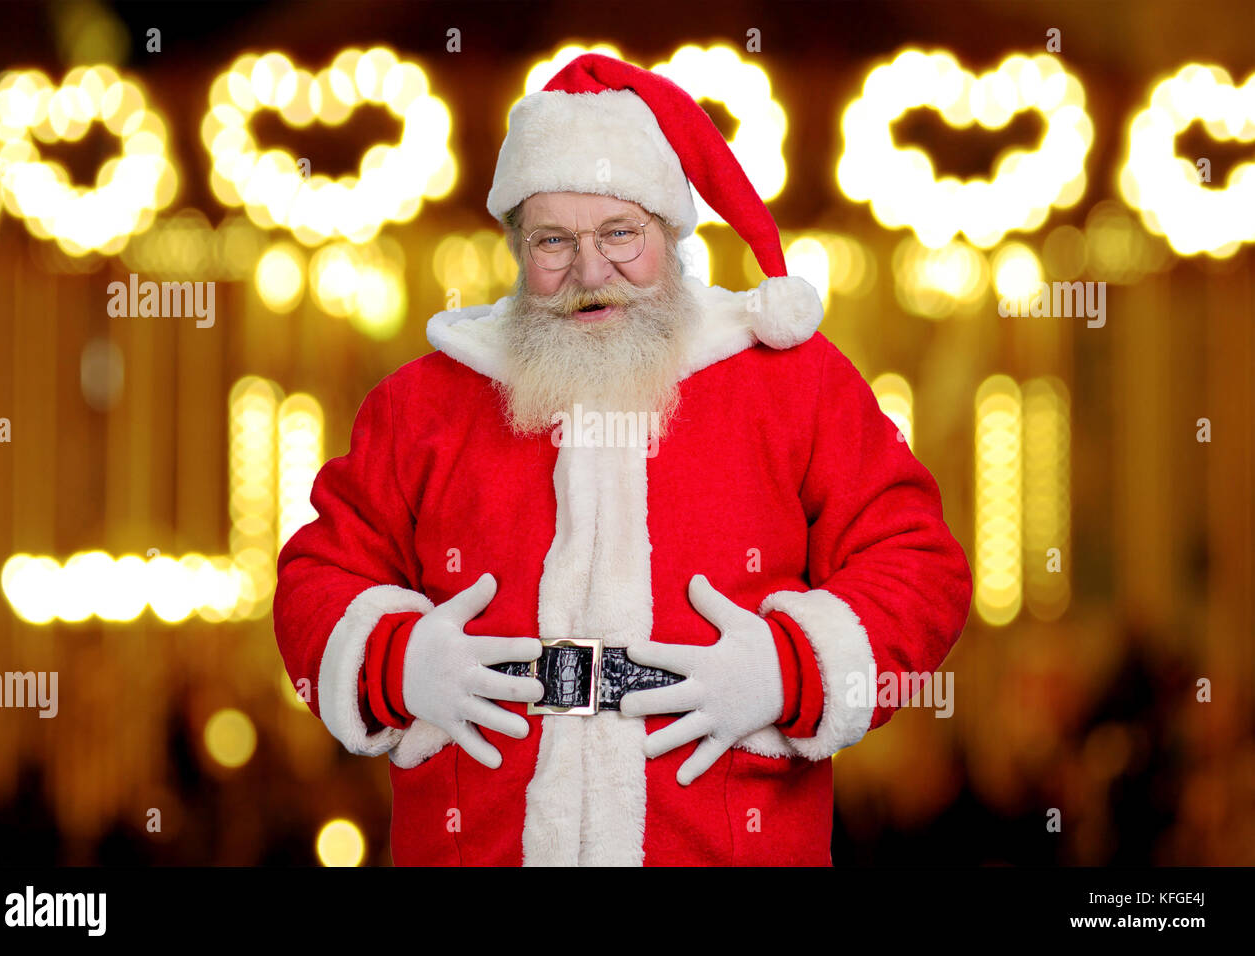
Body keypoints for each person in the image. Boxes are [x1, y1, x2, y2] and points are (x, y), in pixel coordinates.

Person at [273, 53, 973, 866]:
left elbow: (921, 564)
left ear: (671, 235)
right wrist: (401, 664)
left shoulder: (792, 384)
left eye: (619, 234)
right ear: (517, 248)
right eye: (553, 242)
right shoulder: (422, 404)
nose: (589, 270)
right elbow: (315, 579)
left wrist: (789, 672)